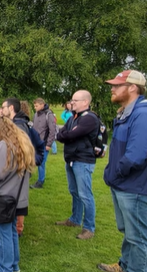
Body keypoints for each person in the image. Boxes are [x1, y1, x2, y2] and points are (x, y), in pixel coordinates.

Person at [99, 70, 147, 272]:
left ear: (133, 88)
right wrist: (112, 172)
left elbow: (137, 155)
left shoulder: (143, 114)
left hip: (137, 187)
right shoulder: (127, 112)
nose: (113, 88)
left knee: (139, 235)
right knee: (129, 231)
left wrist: (115, 173)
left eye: (118, 85)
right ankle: (125, 266)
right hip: (124, 184)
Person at [0, 113, 35, 272]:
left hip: (3, 198)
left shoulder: (4, 145)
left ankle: (4, 269)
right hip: (15, 197)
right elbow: (8, 167)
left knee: (2, 233)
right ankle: (13, 264)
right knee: (10, 232)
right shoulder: (19, 141)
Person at [55, 90, 100, 240]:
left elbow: (70, 135)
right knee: (74, 191)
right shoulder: (74, 117)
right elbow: (61, 134)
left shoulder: (89, 119)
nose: (72, 102)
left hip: (82, 160)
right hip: (72, 158)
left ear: (85, 102)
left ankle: (89, 228)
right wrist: (66, 134)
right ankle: (75, 219)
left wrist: (67, 134)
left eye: (75, 100)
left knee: (85, 195)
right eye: (72, 100)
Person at [0, 98, 45, 237]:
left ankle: (16, 229)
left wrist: (31, 161)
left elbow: (32, 147)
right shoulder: (20, 123)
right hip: (19, 168)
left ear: (11, 108)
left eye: (4, 107)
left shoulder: (19, 126)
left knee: (16, 199)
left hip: (18, 169)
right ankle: (12, 228)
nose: (2, 110)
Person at [31, 98, 58, 189]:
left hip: (43, 143)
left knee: (41, 162)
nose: (35, 108)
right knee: (34, 160)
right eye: (34, 106)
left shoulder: (48, 115)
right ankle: (32, 175)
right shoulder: (35, 114)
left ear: (42, 104)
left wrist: (49, 144)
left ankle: (40, 181)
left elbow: (52, 130)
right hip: (35, 143)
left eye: (36, 106)